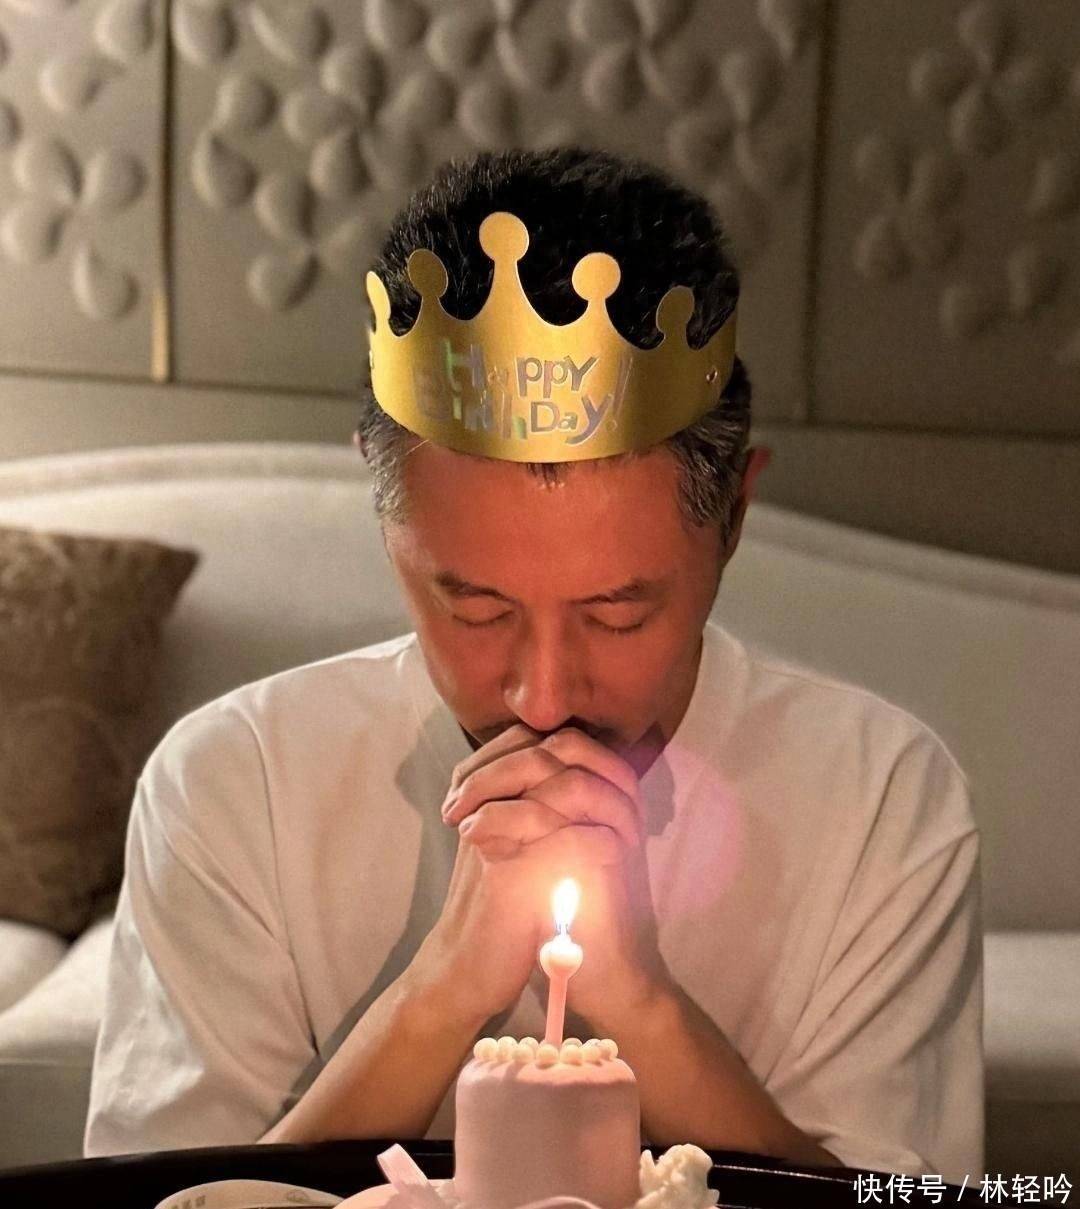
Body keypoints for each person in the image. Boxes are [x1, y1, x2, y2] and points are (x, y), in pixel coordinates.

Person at [84, 147, 984, 1184]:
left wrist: (640, 1003)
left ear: (734, 517)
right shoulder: (235, 782)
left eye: (617, 613)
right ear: (384, 517)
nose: (543, 697)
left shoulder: (880, 798)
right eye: (475, 607)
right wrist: (440, 993)